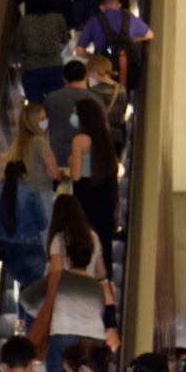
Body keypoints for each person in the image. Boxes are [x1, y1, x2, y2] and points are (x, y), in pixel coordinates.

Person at [30, 194, 110, 372]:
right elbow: (102, 274)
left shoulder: (59, 238)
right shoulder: (93, 237)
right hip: (94, 331)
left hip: (64, 328)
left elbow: (56, 274)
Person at [0, 160, 55, 330]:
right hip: (32, 251)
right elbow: (43, 223)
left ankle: (21, 321)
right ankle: (30, 335)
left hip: (9, 254)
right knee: (34, 296)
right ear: (23, 174)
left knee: (26, 287)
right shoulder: (31, 192)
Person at [66, 96, 120, 259]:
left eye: (75, 113)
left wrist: (70, 162)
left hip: (85, 192)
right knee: (104, 235)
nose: (73, 117)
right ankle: (106, 273)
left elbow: (76, 176)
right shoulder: (104, 135)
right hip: (105, 190)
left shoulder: (79, 140)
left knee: (86, 234)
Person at [42, 60, 94, 176]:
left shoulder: (51, 98)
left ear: (64, 79)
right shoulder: (95, 100)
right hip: (84, 162)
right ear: (86, 76)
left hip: (56, 158)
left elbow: (43, 127)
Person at [84, 52, 128, 153]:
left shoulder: (93, 92)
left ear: (94, 72)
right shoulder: (122, 89)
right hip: (117, 136)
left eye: (89, 73)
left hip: (99, 135)